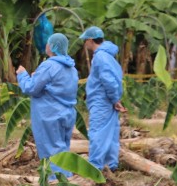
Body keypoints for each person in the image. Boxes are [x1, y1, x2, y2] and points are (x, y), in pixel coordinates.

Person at [17, 33, 79, 174]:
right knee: (63, 150)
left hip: (49, 115)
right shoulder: (72, 67)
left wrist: (22, 75)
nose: (46, 45)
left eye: (48, 43)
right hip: (68, 113)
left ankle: (56, 184)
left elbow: (31, 88)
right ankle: (67, 179)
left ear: (52, 46)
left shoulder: (49, 65)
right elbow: (58, 87)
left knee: (51, 152)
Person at [82, 26, 124, 172]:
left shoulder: (100, 57)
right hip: (109, 100)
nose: (84, 44)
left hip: (102, 101)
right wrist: (116, 99)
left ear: (90, 40)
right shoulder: (108, 56)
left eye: (85, 41)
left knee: (97, 133)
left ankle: (95, 168)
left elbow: (108, 81)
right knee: (111, 134)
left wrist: (114, 99)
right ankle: (111, 165)